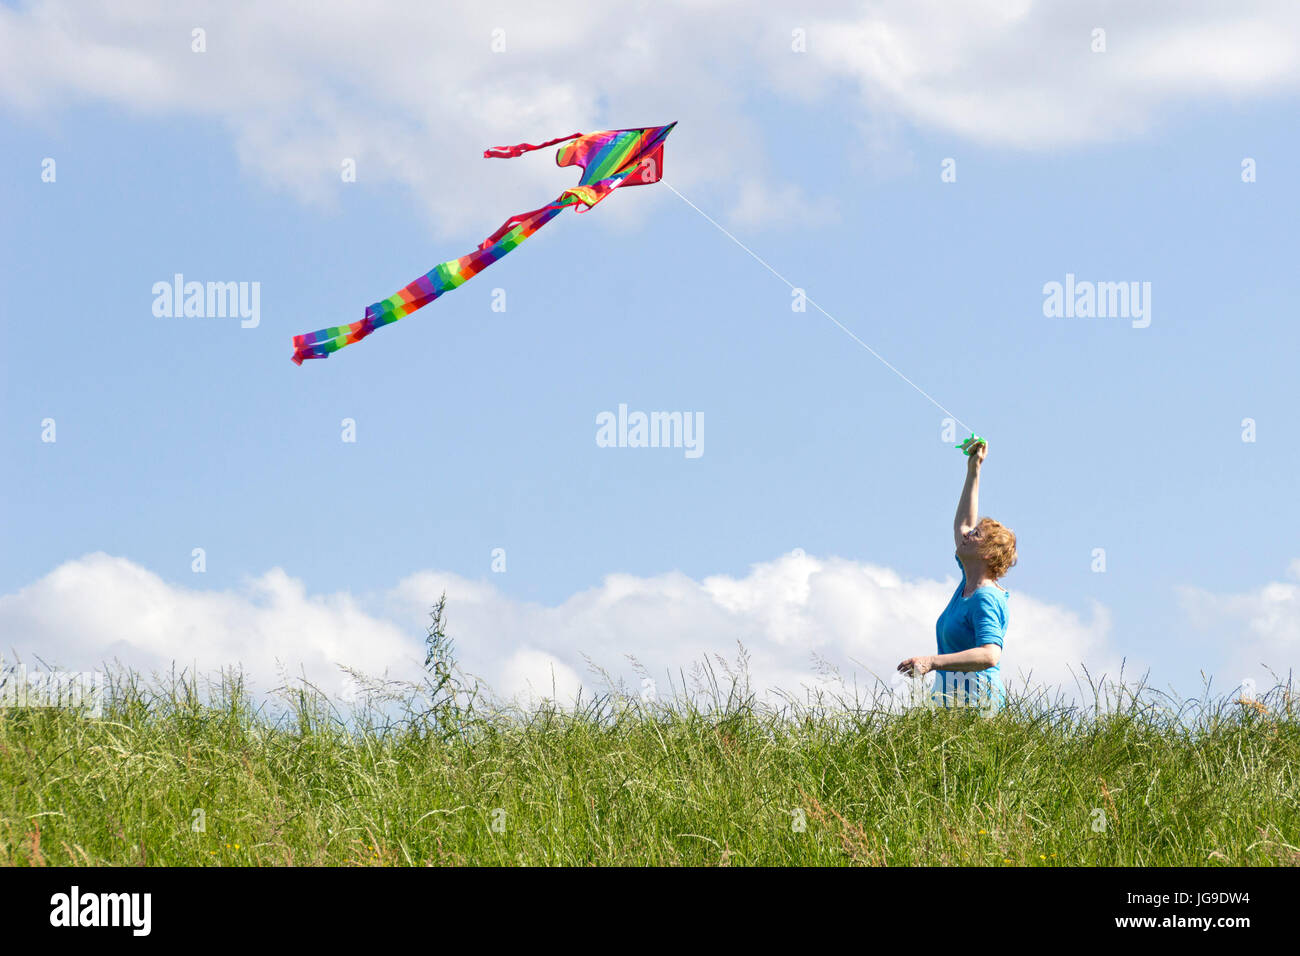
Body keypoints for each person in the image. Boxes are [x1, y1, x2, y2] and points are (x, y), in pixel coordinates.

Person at [896, 440, 1017, 713]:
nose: (966, 534)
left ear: (987, 554)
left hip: (977, 706)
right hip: (954, 706)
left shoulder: (985, 598)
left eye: (975, 535)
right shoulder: (968, 584)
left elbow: (989, 654)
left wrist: (932, 661)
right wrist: (974, 469)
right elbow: (962, 522)